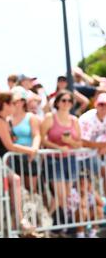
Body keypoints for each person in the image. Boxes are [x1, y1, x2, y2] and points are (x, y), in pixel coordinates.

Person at [0, 93, 37, 235]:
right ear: (5, 104)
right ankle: (21, 221)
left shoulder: (4, 120)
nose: (15, 106)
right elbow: (10, 146)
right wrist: (30, 150)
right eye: (13, 103)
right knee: (15, 180)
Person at [40, 90, 82, 227]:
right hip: (54, 160)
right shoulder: (49, 117)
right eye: (63, 100)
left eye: (69, 101)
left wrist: (69, 142)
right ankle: (47, 224)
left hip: (70, 160)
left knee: (66, 195)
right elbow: (42, 139)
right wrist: (57, 147)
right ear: (57, 102)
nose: (67, 103)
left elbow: (79, 143)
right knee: (61, 195)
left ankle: (57, 225)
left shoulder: (74, 120)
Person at [10, 87, 41, 193]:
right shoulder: (8, 118)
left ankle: (35, 209)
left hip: (29, 156)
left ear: (23, 102)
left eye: (18, 100)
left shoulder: (30, 117)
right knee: (18, 189)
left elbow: (36, 135)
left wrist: (34, 150)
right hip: (13, 156)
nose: (15, 103)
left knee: (32, 189)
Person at [78, 93, 106, 193]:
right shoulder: (87, 119)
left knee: (103, 175)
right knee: (81, 185)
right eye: (101, 104)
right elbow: (83, 142)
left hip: (91, 155)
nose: (104, 107)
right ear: (96, 104)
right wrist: (103, 145)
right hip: (77, 156)